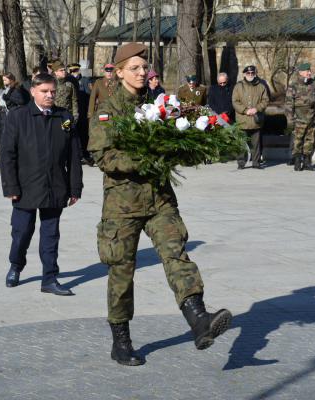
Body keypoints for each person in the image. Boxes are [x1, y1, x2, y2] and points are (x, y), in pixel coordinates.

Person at [88, 42, 232, 367]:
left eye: (144, 67)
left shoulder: (159, 108)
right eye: (135, 68)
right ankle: (121, 342)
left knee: (176, 254)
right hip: (123, 206)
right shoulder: (107, 110)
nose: (142, 73)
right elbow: (103, 156)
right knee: (122, 273)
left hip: (160, 200)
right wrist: (146, 159)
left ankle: (199, 321)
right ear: (120, 71)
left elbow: (173, 143)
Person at [0, 73, 83, 295]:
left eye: (53, 92)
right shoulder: (18, 117)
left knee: (51, 235)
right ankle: (16, 266)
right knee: (21, 232)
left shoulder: (63, 117)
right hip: (25, 188)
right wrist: (10, 187)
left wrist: (75, 188)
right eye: (45, 91)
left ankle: (49, 278)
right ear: (33, 92)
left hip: (55, 186)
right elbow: (7, 155)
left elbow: (74, 155)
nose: (49, 95)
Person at [232, 66, 268, 169]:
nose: (250, 74)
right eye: (248, 73)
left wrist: (257, 108)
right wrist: (245, 110)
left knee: (255, 143)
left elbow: (265, 100)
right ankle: (241, 163)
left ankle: (256, 163)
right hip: (242, 120)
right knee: (241, 143)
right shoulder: (238, 86)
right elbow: (235, 101)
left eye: (252, 73)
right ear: (244, 74)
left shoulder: (261, 86)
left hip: (256, 120)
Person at [285, 63, 315, 171]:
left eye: (309, 71)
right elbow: (289, 104)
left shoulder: (313, 85)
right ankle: (297, 162)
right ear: (300, 72)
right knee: (298, 141)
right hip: (299, 119)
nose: (309, 73)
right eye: (307, 71)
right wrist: (290, 119)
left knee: (310, 140)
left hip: (311, 119)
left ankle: (307, 163)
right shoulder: (293, 85)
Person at [68, 63, 93, 166]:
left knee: (83, 135)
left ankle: (86, 155)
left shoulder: (85, 81)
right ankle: (76, 155)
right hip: (72, 112)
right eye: (72, 71)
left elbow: (89, 96)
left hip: (82, 111)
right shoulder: (68, 81)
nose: (74, 73)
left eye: (76, 71)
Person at [0, 72, 29, 146]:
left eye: (5, 80)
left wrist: (8, 98)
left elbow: (21, 100)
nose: (3, 82)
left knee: (10, 136)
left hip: (12, 115)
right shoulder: (9, 88)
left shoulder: (16, 88)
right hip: (5, 114)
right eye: (3, 80)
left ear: (11, 80)